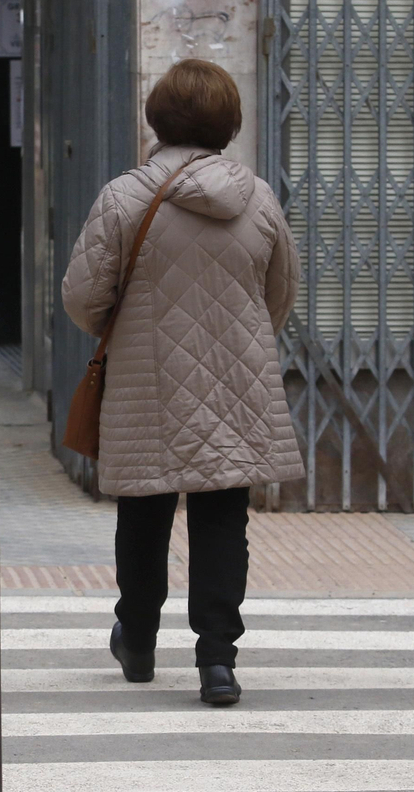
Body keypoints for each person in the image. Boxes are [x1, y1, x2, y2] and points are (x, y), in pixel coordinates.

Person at [60, 58, 303, 707]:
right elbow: (279, 295)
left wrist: (127, 328)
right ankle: (217, 661)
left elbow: (83, 298)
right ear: (229, 124)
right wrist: (237, 339)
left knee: (144, 511)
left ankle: (138, 640)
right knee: (223, 517)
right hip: (236, 383)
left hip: (145, 380)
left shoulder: (125, 197)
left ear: (158, 120)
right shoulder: (259, 199)